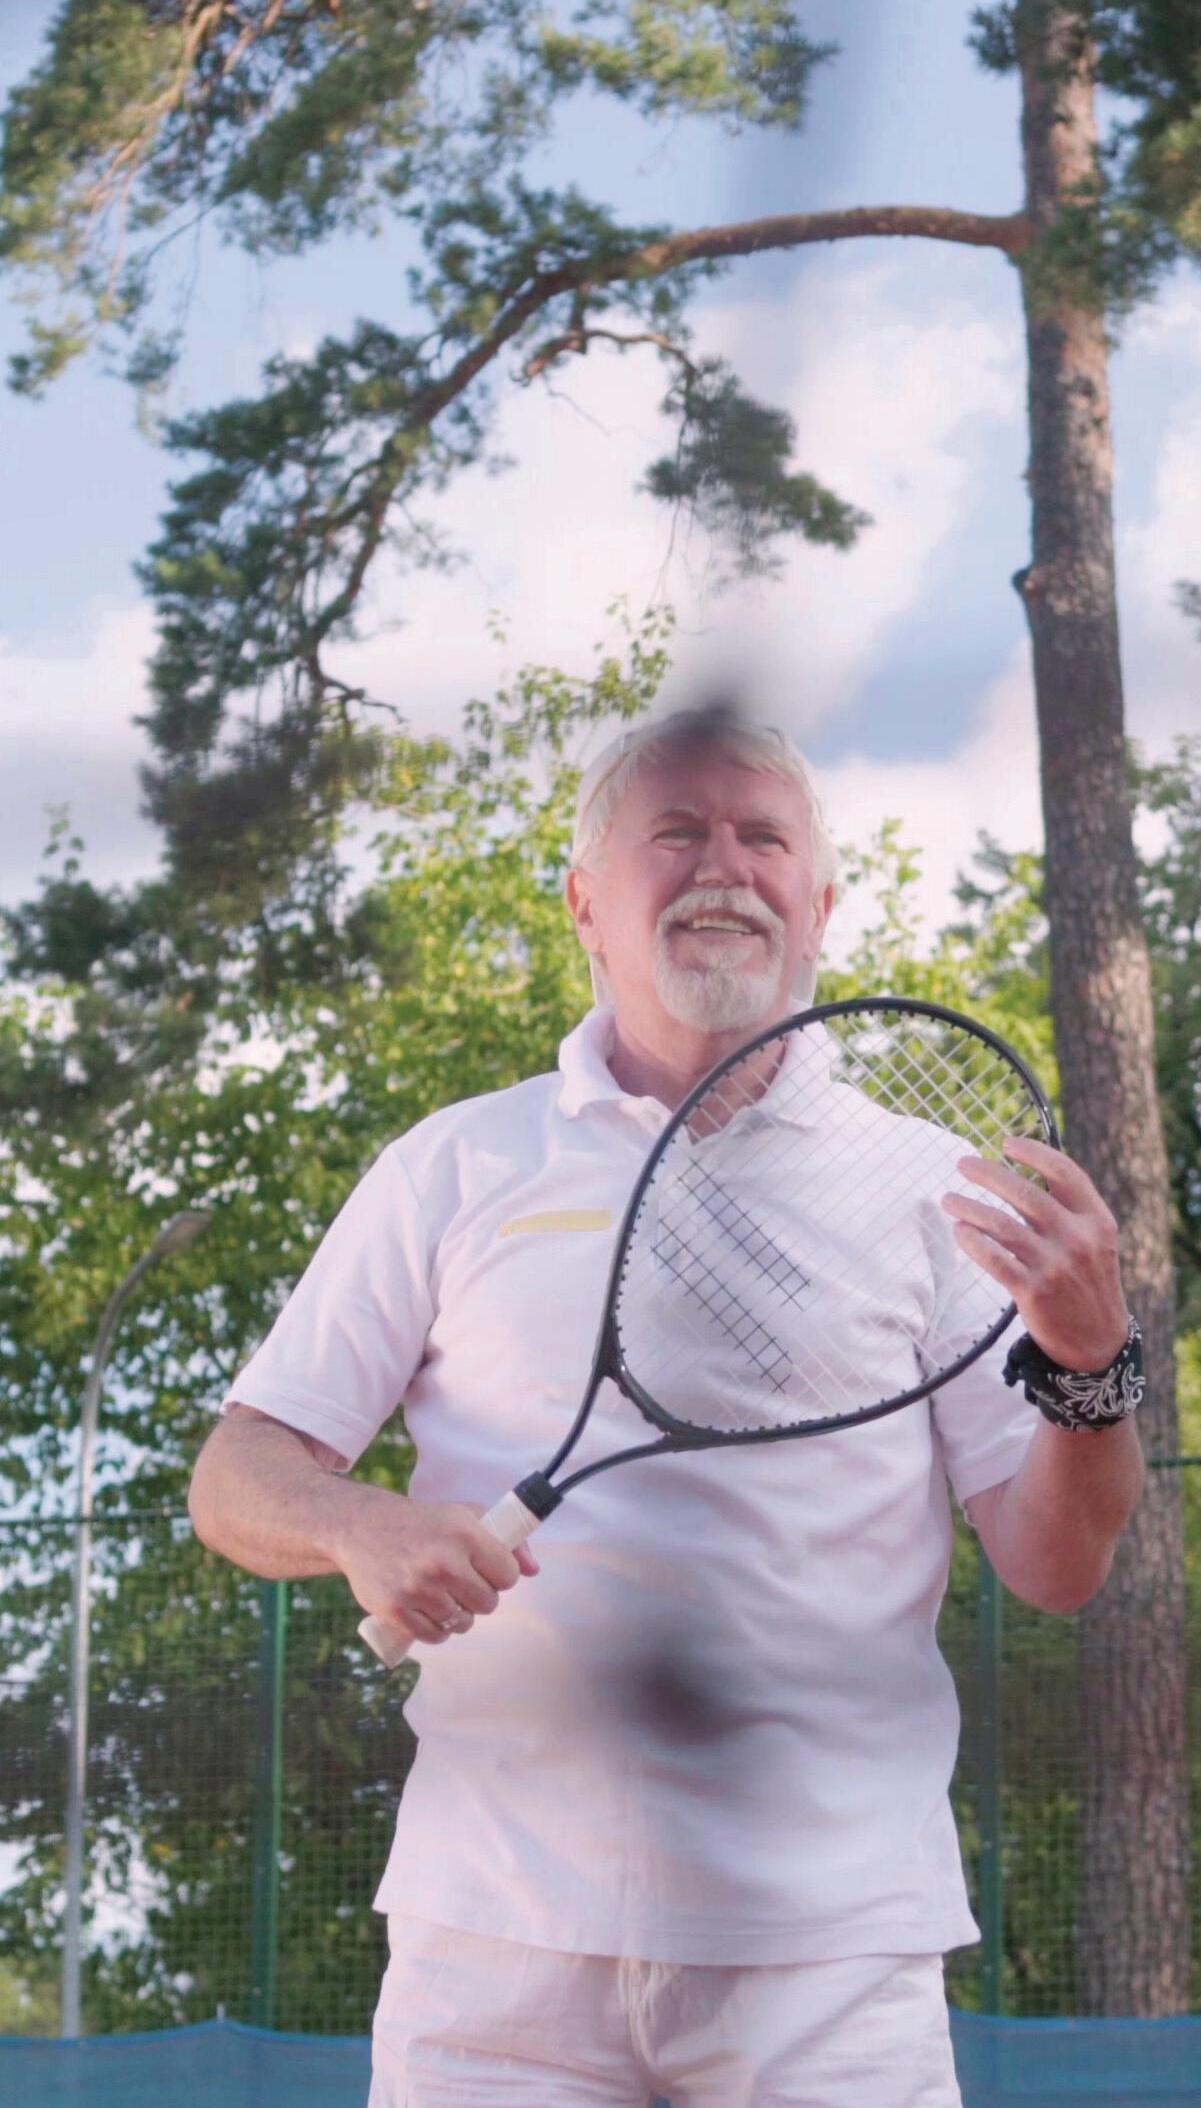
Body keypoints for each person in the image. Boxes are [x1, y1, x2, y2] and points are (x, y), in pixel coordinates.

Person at [188, 709, 1145, 2107]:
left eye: (764, 838)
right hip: (493, 1950)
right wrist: (357, 1528)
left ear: (820, 905)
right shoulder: (453, 1164)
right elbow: (237, 1473)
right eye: (677, 832)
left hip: (833, 1963)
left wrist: (1092, 1363)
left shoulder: (938, 1191)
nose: (724, 867)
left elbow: (1057, 1566)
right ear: (586, 900)